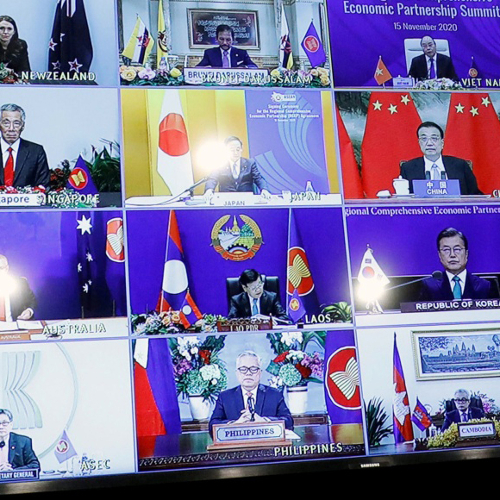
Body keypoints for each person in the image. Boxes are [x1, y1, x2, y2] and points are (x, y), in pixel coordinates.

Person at [209, 350, 294, 436]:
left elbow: (289, 422)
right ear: (237, 373)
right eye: (243, 369)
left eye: (253, 369)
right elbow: (212, 426)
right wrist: (235, 424)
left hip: (266, 445)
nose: (248, 373)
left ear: (260, 373)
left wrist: (264, 421)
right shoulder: (225, 397)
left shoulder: (274, 395)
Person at [400, 121, 481, 195]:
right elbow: (403, 198)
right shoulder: (408, 168)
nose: (429, 143)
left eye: (434, 138)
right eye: (424, 139)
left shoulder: (460, 165)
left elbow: (474, 194)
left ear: (442, 143)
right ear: (419, 143)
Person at [419, 228, 493, 301]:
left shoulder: (484, 286)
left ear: (466, 254)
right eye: (446, 250)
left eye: (457, 249)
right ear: (439, 255)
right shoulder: (429, 286)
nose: (452, 255)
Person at [0, 103, 50, 188]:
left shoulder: (36, 151)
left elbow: (43, 184)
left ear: (23, 126)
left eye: (16, 123)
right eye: (6, 123)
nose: (11, 128)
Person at [204, 136, 270, 200]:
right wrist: (209, 190)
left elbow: (258, 178)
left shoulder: (250, 163)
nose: (235, 153)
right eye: (232, 150)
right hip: (226, 200)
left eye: (238, 150)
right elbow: (212, 178)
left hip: (247, 199)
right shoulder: (220, 164)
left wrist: (264, 189)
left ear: (241, 149)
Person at [0, 254, 36, 321]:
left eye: (0, 268)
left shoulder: (20, 284)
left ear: (6, 269)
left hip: (14, 325)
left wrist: (29, 311)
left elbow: (32, 300)